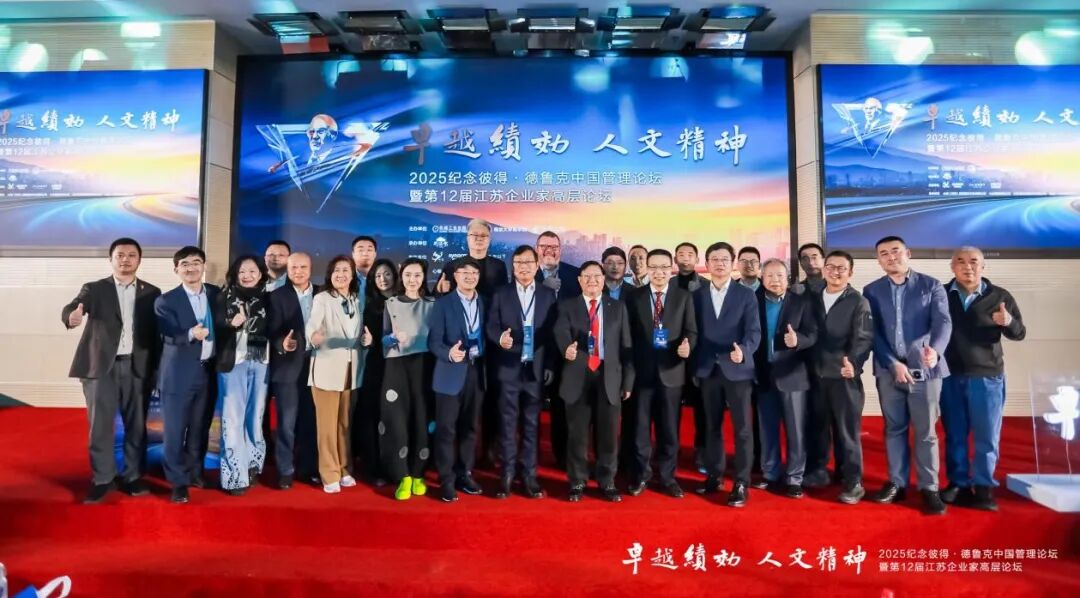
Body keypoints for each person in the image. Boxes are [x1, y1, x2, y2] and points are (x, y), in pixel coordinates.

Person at [62, 237, 161, 504]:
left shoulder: (152, 292)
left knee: (136, 426)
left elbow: (156, 336)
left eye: (131, 255)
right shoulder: (94, 289)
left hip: (137, 367)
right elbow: (74, 306)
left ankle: (133, 476)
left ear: (139, 260)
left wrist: (157, 370)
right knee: (100, 426)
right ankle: (103, 478)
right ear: (111, 259)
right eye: (120, 255)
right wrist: (71, 316)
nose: (125, 259)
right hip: (100, 368)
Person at [864, 236, 952, 515]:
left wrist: (935, 351)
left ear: (908, 253)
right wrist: (892, 363)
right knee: (894, 428)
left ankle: (929, 487)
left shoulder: (931, 285)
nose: (891, 257)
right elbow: (872, 332)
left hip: (925, 369)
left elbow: (943, 322)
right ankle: (897, 483)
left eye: (895, 251)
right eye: (884, 253)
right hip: (889, 371)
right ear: (878, 260)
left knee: (926, 432)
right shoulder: (872, 290)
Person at [941, 246, 1026, 511]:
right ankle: (958, 483)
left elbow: (1019, 333)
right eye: (960, 261)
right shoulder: (940, 294)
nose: (967, 266)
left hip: (987, 377)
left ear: (983, 266)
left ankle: (984, 486)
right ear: (952, 266)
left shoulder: (999, 296)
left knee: (987, 435)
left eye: (973, 262)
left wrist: (1008, 321)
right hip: (950, 376)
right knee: (954, 433)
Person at [554, 261, 634, 503]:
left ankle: (607, 481)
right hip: (577, 375)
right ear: (579, 280)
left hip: (609, 377)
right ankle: (577, 481)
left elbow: (626, 346)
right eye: (587, 276)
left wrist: (628, 381)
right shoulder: (567, 305)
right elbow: (560, 332)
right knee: (577, 434)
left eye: (596, 276)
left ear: (603, 279)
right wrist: (566, 349)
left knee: (608, 435)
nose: (592, 280)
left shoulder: (617, 307)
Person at [691, 242, 761, 507]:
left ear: (732, 264)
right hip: (708, 368)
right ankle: (714, 475)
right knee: (711, 426)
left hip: (737, 368)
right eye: (714, 259)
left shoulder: (746, 295)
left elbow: (754, 331)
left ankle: (741, 482)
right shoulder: (697, 295)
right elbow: (693, 331)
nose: (719, 264)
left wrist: (744, 350)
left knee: (742, 429)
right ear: (706, 264)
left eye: (724, 259)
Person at [486, 246, 557, 499]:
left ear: (537, 265)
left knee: (531, 424)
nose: (523, 267)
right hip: (508, 367)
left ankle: (529, 475)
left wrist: (549, 365)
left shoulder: (548, 295)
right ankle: (506, 474)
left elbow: (553, 335)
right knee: (507, 423)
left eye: (528, 262)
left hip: (535, 369)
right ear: (512, 267)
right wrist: (499, 339)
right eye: (518, 262)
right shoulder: (501, 293)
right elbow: (491, 325)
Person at [625, 249, 697, 499]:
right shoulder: (634, 297)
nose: (659, 272)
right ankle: (641, 476)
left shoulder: (683, 297)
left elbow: (692, 331)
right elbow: (627, 337)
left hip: (672, 372)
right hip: (642, 374)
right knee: (640, 430)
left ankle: (667, 477)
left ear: (671, 269)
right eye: (653, 267)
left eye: (664, 267)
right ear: (647, 268)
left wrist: (688, 345)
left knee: (669, 430)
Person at [154, 246, 220, 504]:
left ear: (204, 266)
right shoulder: (166, 301)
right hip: (177, 375)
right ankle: (178, 482)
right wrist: (192, 333)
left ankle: (195, 472)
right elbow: (167, 334)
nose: (191, 268)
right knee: (174, 431)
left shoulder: (216, 294)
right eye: (185, 264)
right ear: (176, 270)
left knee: (200, 428)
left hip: (208, 372)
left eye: (196, 262)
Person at [810, 250, 873, 505]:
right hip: (815, 375)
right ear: (823, 269)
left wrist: (854, 364)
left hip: (843, 375)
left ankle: (853, 481)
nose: (835, 272)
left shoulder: (858, 301)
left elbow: (864, 338)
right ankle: (820, 471)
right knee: (818, 427)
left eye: (841, 268)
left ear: (850, 272)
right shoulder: (813, 297)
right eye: (831, 267)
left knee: (847, 431)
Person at [306, 255, 373, 493]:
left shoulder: (357, 299)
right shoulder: (322, 298)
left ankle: (345, 468)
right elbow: (312, 327)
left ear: (353, 275)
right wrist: (313, 337)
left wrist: (366, 341)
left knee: (345, 424)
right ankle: (329, 473)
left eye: (345, 270)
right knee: (327, 426)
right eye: (336, 270)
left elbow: (360, 332)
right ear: (330, 275)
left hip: (351, 369)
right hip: (326, 368)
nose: (341, 275)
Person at [752, 259, 817, 499]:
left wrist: (798, 340)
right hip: (763, 374)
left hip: (793, 375)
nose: (775, 280)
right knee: (766, 428)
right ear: (761, 278)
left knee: (796, 430)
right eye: (769, 275)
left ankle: (794, 478)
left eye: (779, 275)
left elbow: (813, 334)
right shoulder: (753, 302)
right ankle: (770, 473)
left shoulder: (802, 302)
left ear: (787, 278)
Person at [429, 257, 487, 502]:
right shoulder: (443, 304)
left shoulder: (484, 302)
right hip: (450, 373)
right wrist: (449, 354)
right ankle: (446, 479)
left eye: (474, 272)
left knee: (470, 428)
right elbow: (433, 342)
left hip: (476, 372)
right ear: (455, 276)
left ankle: (465, 473)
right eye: (464, 272)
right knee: (446, 429)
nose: (470, 276)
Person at [213, 255, 271, 496]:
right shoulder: (222, 297)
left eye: (252, 271)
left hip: (261, 362)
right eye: (242, 271)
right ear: (235, 274)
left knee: (255, 418)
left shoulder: (269, 296)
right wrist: (231, 324)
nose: (247, 276)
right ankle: (235, 476)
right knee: (232, 420)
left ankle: (252, 465)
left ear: (261, 273)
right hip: (233, 363)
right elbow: (216, 328)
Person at [381, 258, 437, 501]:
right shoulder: (391, 303)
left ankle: (418, 473)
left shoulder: (432, 304)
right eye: (408, 275)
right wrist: (393, 339)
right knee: (397, 420)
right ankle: (401, 475)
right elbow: (384, 340)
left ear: (423, 278)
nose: (412, 280)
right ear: (401, 277)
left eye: (417, 275)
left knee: (423, 418)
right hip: (396, 368)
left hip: (424, 365)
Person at [267, 252, 319, 489]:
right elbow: (272, 330)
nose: (298, 271)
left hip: (317, 366)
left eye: (303, 267)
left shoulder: (322, 294)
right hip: (288, 367)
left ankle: (308, 468)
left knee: (311, 421)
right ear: (287, 270)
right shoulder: (277, 296)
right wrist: (282, 343)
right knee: (286, 423)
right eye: (294, 267)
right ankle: (285, 470)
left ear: (311, 268)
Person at [536, 230, 580, 470]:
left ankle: (563, 456)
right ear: (537, 249)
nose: (549, 251)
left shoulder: (575, 275)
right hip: (535, 352)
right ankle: (530, 460)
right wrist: (542, 287)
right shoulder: (526, 272)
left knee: (562, 408)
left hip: (566, 354)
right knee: (530, 408)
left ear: (560, 250)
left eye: (554, 247)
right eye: (544, 246)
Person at [355, 258, 397, 485]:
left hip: (399, 366)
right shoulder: (370, 306)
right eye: (378, 275)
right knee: (372, 415)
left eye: (387, 274)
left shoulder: (404, 301)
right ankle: (373, 467)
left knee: (395, 417)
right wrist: (368, 341)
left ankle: (395, 464)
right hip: (376, 366)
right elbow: (365, 338)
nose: (382, 279)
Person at [436, 218, 509, 300]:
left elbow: (505, 297)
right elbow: (435, 297)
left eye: (483, 235)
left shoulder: (499, 266)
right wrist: (440, 291)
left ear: (489, 240)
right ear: (467, 238)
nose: (479, 238)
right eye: (475, 235)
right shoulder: (451, 266)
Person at [350, 235, 378, 309]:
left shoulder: (382, 280)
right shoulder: (345, 278)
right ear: (353, 254)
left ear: (375, 254)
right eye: (360, 250)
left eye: (369, 250)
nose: (365, 253)